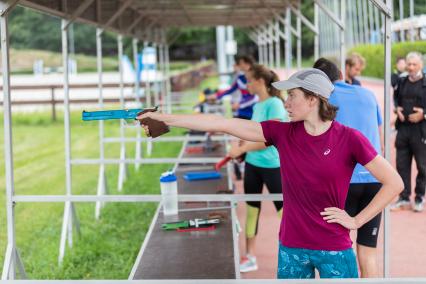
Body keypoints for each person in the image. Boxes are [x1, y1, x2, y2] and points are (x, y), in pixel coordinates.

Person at [138, 68, 403, 279]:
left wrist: (357, 221)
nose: (286, 103)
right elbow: (222, 124)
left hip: (334, 247)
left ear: (312, 99)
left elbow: (394, 183)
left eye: (292, 96)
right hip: (291, 246)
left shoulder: (350, 139)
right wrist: (167, 118)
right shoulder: (282, 132)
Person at [313, 58, 384, 278]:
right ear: (342, 75)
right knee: (368, 252)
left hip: (342, 184)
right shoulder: (368, 94)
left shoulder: (323, 100)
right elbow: (378, 136)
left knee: (339, 251)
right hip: (375, 179)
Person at [227, 64, 287, 272]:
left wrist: (241, 149)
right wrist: (242, 148)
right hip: (253, 165)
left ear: (260, 81)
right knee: (252, 210)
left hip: (273, 166)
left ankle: (298, 250)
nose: (247, 85)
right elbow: (254, 135)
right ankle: (250, 255)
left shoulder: (275, 104)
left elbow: (271, 139)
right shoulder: (257, 106)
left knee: (285, 213)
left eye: (249, 80)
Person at [391, 51, 426, 212]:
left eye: (415, 64)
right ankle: (404, 197)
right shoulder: (402, 81)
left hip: (421, 131)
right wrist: (396, 109)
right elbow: (395, 98)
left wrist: (423, 114)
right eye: (409, 64)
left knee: (422, 166)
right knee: (401, 165)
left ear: (421, 65)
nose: (411, 67)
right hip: (403, 129)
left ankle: (419, 197)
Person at [216, 55, 258, 120]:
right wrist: (217, 96)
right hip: (241, 111)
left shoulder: (256, 77)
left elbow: (255, 96)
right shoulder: (240, 78)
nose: (239, 65)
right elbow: (231, 90)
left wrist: (239, 104)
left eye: (241, 63)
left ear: (248, 64)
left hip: (253, 111)